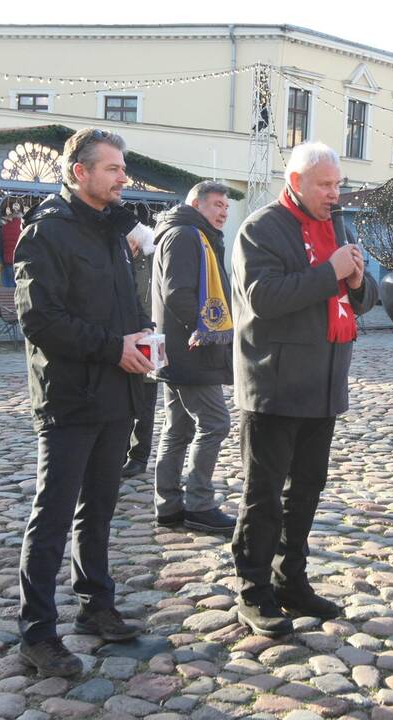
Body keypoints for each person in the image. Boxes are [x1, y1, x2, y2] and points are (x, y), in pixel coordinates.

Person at [13, 128, 151, 677]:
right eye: (113, 169)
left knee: (99, 508)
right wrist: (111, 347)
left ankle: (96, 605)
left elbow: (117, 308)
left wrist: (142, 337)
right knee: (51, 517)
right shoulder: (46, 233)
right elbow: (38, 320)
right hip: (68, 397)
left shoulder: (113, 229)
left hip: (116, 392)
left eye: (122, 168)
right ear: (81, 173)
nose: (123, 178)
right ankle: (37, 633)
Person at [231, 141, 379, 636]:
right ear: (295, 182)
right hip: (274, 386)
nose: (335, 194)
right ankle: (253, 593)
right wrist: (330, 273)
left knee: (306, 494)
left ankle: (290, 580)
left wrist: (355, 280)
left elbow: (365, 298)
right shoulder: (261, 228)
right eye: (325, 185)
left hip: (322, 386)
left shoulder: (339, 226)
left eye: (338, 184)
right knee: (264, 496)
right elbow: (263, 298)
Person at [150, 181, 239, 534]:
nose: (222, 212)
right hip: (192, 350)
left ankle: (168, 506)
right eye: (217, 204)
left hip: (180, 349)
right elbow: (176, 291)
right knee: (215, 423)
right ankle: (199, 504)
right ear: (196, 203)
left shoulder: (190, 232)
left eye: (226, 207)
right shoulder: (187, 234)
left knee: (179, 428)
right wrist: (201, 327)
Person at [121, 221, 160, 478]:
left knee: (146, 402)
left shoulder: (152, 260)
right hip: (125, 336)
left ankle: (139, 455)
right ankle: (120, 452)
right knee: (123, 402)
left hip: (148, 336)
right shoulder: (121, 260)